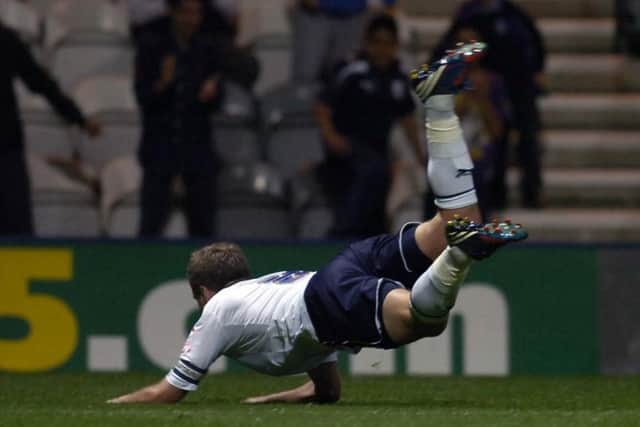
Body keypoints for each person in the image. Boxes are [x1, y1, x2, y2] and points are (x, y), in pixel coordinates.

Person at [107, 42, 527, 405]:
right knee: (457, 218)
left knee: (425, 322)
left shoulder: (218, 310)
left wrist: (114, 405)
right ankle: (438, 103)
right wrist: (265, 400)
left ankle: (459, 253)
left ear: (202, 293)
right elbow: (326, 392)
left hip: (329, 298)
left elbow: (170, 391)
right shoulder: (267, 303)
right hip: (335, 278)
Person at [315, 14, 423, 239]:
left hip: (378, 152)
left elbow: (407, 120)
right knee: (372, 172)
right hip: (347, 148)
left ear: (396, 46)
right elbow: (322, 107)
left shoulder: (398, 79)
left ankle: (372, 238)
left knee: (380, 177)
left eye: (388, 43)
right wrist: (331, 137)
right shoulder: (351, 71)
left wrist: (421, 154)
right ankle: (341, 234)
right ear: (367, 42)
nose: (382, 49)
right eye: (377, 42)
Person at [432, 0, 546, 208]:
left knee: (521, 136)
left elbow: (534, 43)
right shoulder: (467, 14)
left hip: (510, 88)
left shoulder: (512, 15)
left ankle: (527, 191)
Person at [0, 22, 101, 237]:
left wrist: (77, 117)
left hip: (5, 148)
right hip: (7, 149)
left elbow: (39, 80)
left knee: (17, 229)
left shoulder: (5, 39)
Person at [135, 0, 224, 238]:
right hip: (159, 150)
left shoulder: (207, 49)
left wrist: (213, 93)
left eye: (196, 13)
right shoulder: (152, 47)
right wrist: (163, 83)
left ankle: (206, 275)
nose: (191, 19)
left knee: (204, 227)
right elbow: (143, 98)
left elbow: (218, 98)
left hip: (197, 151)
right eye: (186, 13)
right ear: (173, 13)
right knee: (151, 225)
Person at [291, 0, 397, 83]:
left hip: (354, 15)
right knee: (306, 78)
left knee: (346, 77)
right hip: (314, 14)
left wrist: (388, 4)